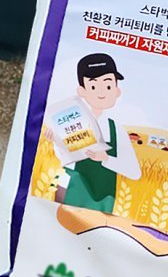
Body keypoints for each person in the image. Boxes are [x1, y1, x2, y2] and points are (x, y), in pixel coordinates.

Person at [48, 52, 140, 213]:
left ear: (117, 91)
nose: (101, 92)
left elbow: (134, 172)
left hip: (103, 201)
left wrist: (106, 159)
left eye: (108, 85)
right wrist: (56, 141)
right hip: (70, 191)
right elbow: (66, 159)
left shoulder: (116, 130)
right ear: (82, 91)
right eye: (93, 86)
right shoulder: (73, 120)